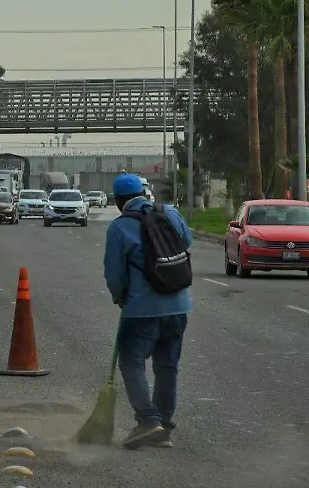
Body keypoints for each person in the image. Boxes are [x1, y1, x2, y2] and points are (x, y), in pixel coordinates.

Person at [102, 173, 193, 450]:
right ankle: (163, 427)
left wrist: (120, 297)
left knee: (132, 363)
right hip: (178, 305)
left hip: (141, 309)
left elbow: (114, 274)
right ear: (144, 192)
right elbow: (186, 242)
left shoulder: (120, 227)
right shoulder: (170, 213)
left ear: (118, 200)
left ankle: (147, 421)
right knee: (167, 367)